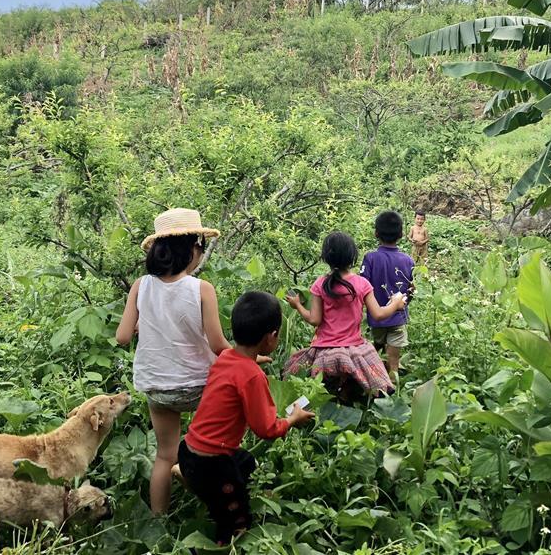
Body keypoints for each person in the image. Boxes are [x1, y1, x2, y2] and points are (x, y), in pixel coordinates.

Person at [178, 291, 314, 544]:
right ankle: (223, 544)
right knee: (235, 521)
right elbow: (267, 429)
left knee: (247, 462)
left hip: (188, 450)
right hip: (212, 465)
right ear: (271, 338)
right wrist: (293, 418)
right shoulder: (252, 376)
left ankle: (187, 473)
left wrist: (252, 362)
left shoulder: (226, 357)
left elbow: (238, 369)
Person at [115, 208, 227, 515]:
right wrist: (250, 357)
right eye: (200, 247)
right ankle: (217, 504)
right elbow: (218, 345)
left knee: (165, 455)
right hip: (198, 386)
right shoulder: (201, 289)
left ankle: (158, 520)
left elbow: (122, 337)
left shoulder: (140, 285)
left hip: (158, 387)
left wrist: (145, 324)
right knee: (214, 448)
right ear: (191, 249)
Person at [283, 231, 406, 401]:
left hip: (324, 349)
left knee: (312, 386)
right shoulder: (361, 284)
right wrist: (396, 304)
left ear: (327, 258)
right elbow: (378, 314)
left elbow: (314, 320)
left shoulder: (320, 283)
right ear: (352, 256)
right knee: (378, 382)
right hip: (354, 347)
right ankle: (351, 397)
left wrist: (297, 305)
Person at [360, 210, 415, 380]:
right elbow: (411, 290)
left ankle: (374, 382)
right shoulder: (408, 260)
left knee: (377, 349)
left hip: (377, 317)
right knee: (393, 359)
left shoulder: (370, 258)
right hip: (398, 317)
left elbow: (362, 286)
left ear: (376, 233)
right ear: (401, 234)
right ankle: (392, 384)